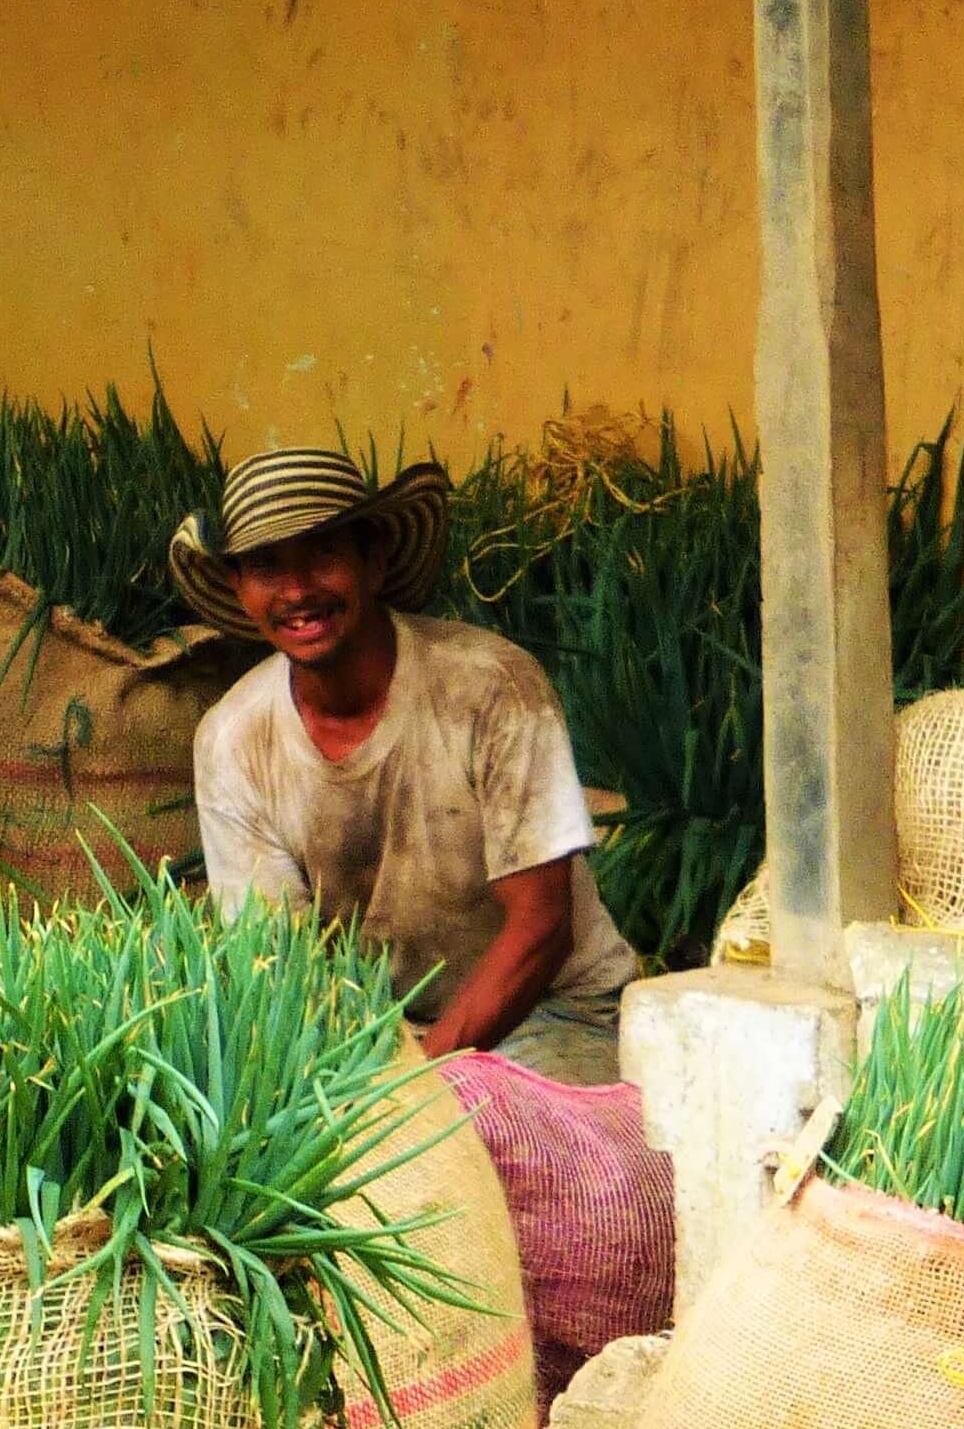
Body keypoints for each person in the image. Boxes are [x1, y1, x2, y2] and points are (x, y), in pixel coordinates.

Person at [172, 448, 641, 1083]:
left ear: (375, 559)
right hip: (378, 1031)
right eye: (265, 566)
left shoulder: (490, 685)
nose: (298, 591)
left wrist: (420, 1082)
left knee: (500, 1147)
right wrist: (352, 1082)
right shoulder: (233, 740)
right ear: (238, 587)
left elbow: (542, 925)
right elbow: (278, 966)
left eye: (323, 553)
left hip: (553, 1012)